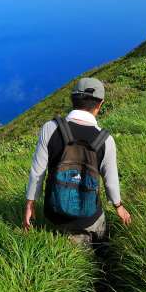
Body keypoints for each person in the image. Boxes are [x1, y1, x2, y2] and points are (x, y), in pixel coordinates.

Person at [23, 77, 131, 246]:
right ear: (100, 104)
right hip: (90, 217)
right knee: (102, 247)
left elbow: (37, 172)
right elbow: (111, 181)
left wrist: (30, 203)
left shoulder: (50, 128)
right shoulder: (106, 140)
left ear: (73, 99)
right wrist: (119, 206)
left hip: (56, 217)